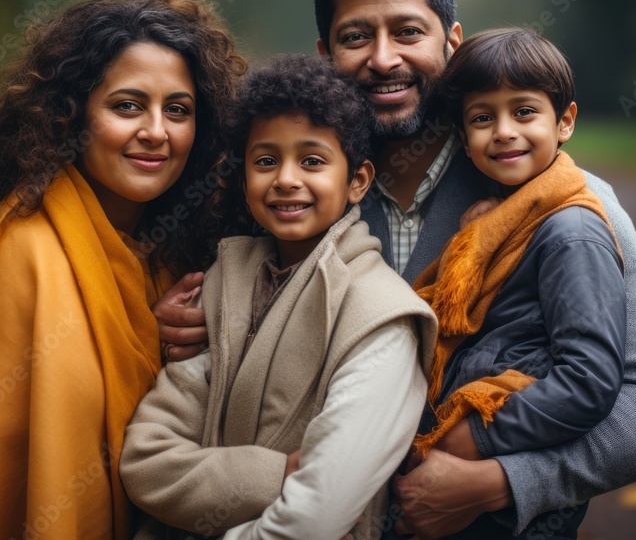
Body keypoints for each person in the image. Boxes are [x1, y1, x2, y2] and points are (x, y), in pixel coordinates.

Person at [156, 0, 636, 539]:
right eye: (356, 37)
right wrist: (186, 315)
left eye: (408, 32)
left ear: (452, 42)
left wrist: (507, 484)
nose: (384, 59)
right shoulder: (281, 197)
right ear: (326, 54)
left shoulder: (563, 205)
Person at [0, 0, 246, 540]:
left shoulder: (173, 254)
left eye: (177, 110)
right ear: (70, 113)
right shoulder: (24, 253)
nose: (156, 131)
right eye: (127, 105)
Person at [119, 54, 438, 539]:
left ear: (357, 181)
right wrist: (274, 476)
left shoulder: (382, 316)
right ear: (245, 176)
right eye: (266, 160)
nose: (286, 179)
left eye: (312, 160)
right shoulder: (224, 285)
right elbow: (146, 461)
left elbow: (318, 514)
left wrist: (215, 476)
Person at [404, 27, 627, 535]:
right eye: (483, 118)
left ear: (564, 120)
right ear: (464, 137)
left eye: (524, 112)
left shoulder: (572, 232)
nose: (504, 131)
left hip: (512, 513)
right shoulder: (496, 222)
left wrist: (472, 438)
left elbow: (588, 380)